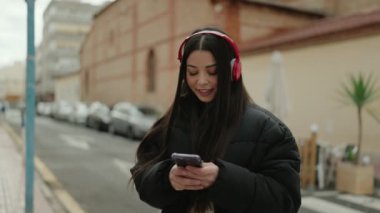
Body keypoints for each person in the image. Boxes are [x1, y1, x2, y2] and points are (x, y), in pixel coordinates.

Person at [130, 26, 301, 213]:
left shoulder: (269, 130)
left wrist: (222, 179)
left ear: (233, 70)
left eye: (212, 72)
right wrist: (167, 178)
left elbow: (286, 203)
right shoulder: (170, 122)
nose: (202, 81)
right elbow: (142, 176)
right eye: (193, 72)